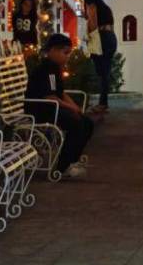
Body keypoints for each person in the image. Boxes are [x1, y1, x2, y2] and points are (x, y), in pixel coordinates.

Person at [25, 33, 93, 179]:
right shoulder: (45, 69)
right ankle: (64, 166)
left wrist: (76, 108)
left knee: (87, 122)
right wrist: (72, 109)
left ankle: (73, 159)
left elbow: (60, 94)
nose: (67, 57)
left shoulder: (55, 69)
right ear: (53, 51)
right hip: (40, 110)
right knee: (75, 124)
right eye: (65, 53)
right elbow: (50, 97)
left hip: (52, 107)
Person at [83, 0, 117, 111]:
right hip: (111, 37)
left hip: (101, 38)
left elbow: (93, 25)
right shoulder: (106, 8)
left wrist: (89, 40)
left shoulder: (92, 7)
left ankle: (102, 104)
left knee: (102, 72)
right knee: (105, 71)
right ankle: (103, 102)